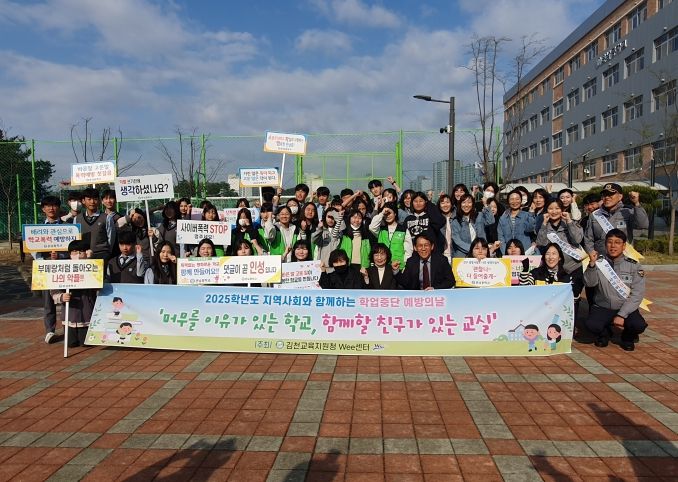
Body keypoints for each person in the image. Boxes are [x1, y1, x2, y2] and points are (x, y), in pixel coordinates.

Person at [584, 229, 647, 351]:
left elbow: (637, 294)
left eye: (617, 242)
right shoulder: (598, 263)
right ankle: (604, 333)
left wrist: (621, 315)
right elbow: (589, 283)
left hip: (625, 307)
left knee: (638, 325)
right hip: (603, 306)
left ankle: (627, 337)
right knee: (591, 325)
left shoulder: (634, 266)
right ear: (605, 244)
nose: (613, 246)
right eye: (610, 242)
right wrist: (591, 265)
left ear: (624, 246)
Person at [536, 199, 585, 316]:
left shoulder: (570, 222)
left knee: (574, 298)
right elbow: (541, 243)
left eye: (557, 208)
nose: (554, 211)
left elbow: (577, 239)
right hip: (555, 269)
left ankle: (572, 323)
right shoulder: (544, 225)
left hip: (573, 267)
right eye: (550, 208)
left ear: (562, 209)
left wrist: (569, 221)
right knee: (555, 300)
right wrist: (544, 224)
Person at [51, 240, 97, 348]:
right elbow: (53, 289)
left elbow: (98, 284)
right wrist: (61, 297)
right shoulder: (63, 268)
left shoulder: (94, 266)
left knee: (86, 343)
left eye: (81, 251)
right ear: (70, 254)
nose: (78, 255)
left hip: (86, 313)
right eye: (74, 252)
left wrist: (90, 260)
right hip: (69, 314)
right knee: (71, 344)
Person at [583, 183, 648, 257]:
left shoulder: (628, 212)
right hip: (601, 259)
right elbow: (588, 238)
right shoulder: (595, 215)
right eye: (604, 195)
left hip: (623, 258)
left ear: (620, 197)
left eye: (610, 194)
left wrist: (636, 204)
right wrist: (591, 252)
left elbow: (643, 225)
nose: (607, 197)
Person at [36, 196, 69, 343]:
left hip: (64, 268)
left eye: (54, 205)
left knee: (66, 299)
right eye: (48, 206)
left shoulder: (68, 227)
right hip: (45, 269)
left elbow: (73, 249)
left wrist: (60, 256)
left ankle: (68, 328)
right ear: (43, 209)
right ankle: (50, 331)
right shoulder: (37, 229)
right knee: (48, 302)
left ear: (59, 208)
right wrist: (45, 260)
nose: (51, 208)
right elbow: (34, 251)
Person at [450, 194, 494, 258]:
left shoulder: (479, 215)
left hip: (481, 252)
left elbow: (491, 221)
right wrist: (472, 249)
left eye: (469, 202)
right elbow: (457, 240)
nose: (466, 205)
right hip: (463, 253)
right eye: (463, 202)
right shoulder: (456, 221)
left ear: (473, 204)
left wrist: (486, 205)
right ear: (460, 204)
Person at [73, 187, 110, 259]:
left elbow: (110, 239)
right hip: (83, 256)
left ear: (99, 201)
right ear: (83, 201)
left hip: (102, 255)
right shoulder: (77, 219)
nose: (92, 202)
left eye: (95, 199)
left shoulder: (107, 218)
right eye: (89, 199)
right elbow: (76, 239)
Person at [368, 201, 407, 267]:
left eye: (390, 213)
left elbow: (408, 250)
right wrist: (382, 213)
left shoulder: (403, 229)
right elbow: (372, 227)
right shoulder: (380, 229)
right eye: (386, 214)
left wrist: (406, 265)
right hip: (383, 265)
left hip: (399, 265)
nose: (387, 216)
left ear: (395, 214)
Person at [498, 189, 536, 254]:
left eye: (517, 199)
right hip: (509, 253)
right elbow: (501, 238)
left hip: (525, 252)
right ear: (508, 201)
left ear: (521, 200)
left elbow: (530, 229)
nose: (514, 201)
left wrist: (531, 213)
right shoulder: (503, 218)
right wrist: (505, 253)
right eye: (512, 199)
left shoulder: (527, 215)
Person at [312, 207, 344, 272]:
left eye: (333, 217)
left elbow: (335, 234)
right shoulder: (321, 230)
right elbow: (313, 239)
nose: (330, 220)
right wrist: (319, 229)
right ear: (325, 217)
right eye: (329, 217)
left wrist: (339, 216)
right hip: (323, 266)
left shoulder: (339, 230)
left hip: (335, 266)